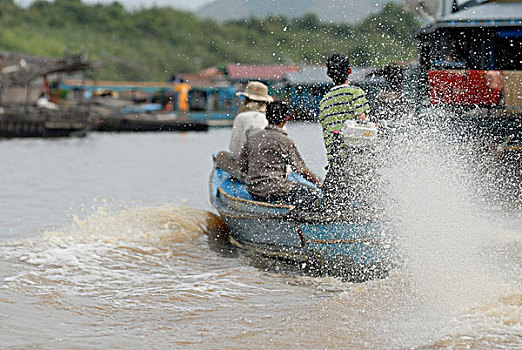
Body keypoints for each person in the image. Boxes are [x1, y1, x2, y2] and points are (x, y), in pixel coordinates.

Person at [235, 101, 322, 209]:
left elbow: (241, 164)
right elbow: (301, 170)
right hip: (275, 190)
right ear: (286, 119)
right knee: (312, 193)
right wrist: (319, 183)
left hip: (254, 190)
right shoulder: (285, 141)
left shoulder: (253, 138)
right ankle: (300, 218)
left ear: (267, 117)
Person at [318, 53, 371, 215]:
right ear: (349, 70)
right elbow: (363, 126)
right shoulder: (356, 93)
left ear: (328, 74)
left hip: (336, 167)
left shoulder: (324, 101)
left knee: (333, 212)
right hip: (358, 164)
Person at [216, 81, 273, 180]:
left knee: (221, 156)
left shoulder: (242, 117)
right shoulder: (273, 118)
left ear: (247, 100)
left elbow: (235, 151)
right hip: (273, 170)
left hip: (252, 172)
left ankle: (245, 177)